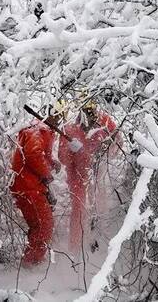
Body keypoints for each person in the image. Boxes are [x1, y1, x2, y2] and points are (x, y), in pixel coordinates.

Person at [58, 97, 119, 254]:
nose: (90, 118)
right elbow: (62, 159)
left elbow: (118, 141)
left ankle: (99, 242)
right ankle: (75, 248)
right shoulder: (70, 129)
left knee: (99, 206)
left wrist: (107, 149)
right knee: (79, 209)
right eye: (86, 113)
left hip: (97, 174)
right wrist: (69, 149)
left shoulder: (105, 122)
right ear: (81, 113)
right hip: (77, 176)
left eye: (92, 113)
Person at [10, 107, 63, 265]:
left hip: (29, 185)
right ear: (49, 113)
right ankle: (31, 264)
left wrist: (52, 163)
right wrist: (47, 174)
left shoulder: (41, 130)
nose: (59, 120)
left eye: (61, 116)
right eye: (57, 115)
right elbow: (33, 154)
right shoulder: (38, 130)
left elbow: (39, 154)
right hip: (28, 186)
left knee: (38, 225)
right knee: (44, 225)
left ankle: (30, 261)